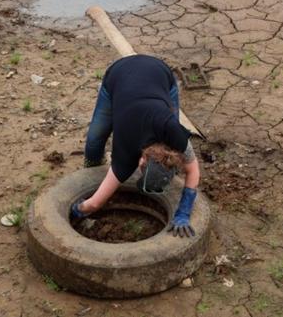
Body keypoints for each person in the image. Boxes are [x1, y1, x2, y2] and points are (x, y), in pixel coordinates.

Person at [72, 54, 201, 237]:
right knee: (96, 136)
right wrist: (72, 210)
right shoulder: (125, 153)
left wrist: (184, 212)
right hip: (119, 75)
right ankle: (91, 168)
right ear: (141, 161)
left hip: (161, 76)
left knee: (168, 112)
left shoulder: (176, 134)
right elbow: (93, 204)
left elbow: (193, 170)